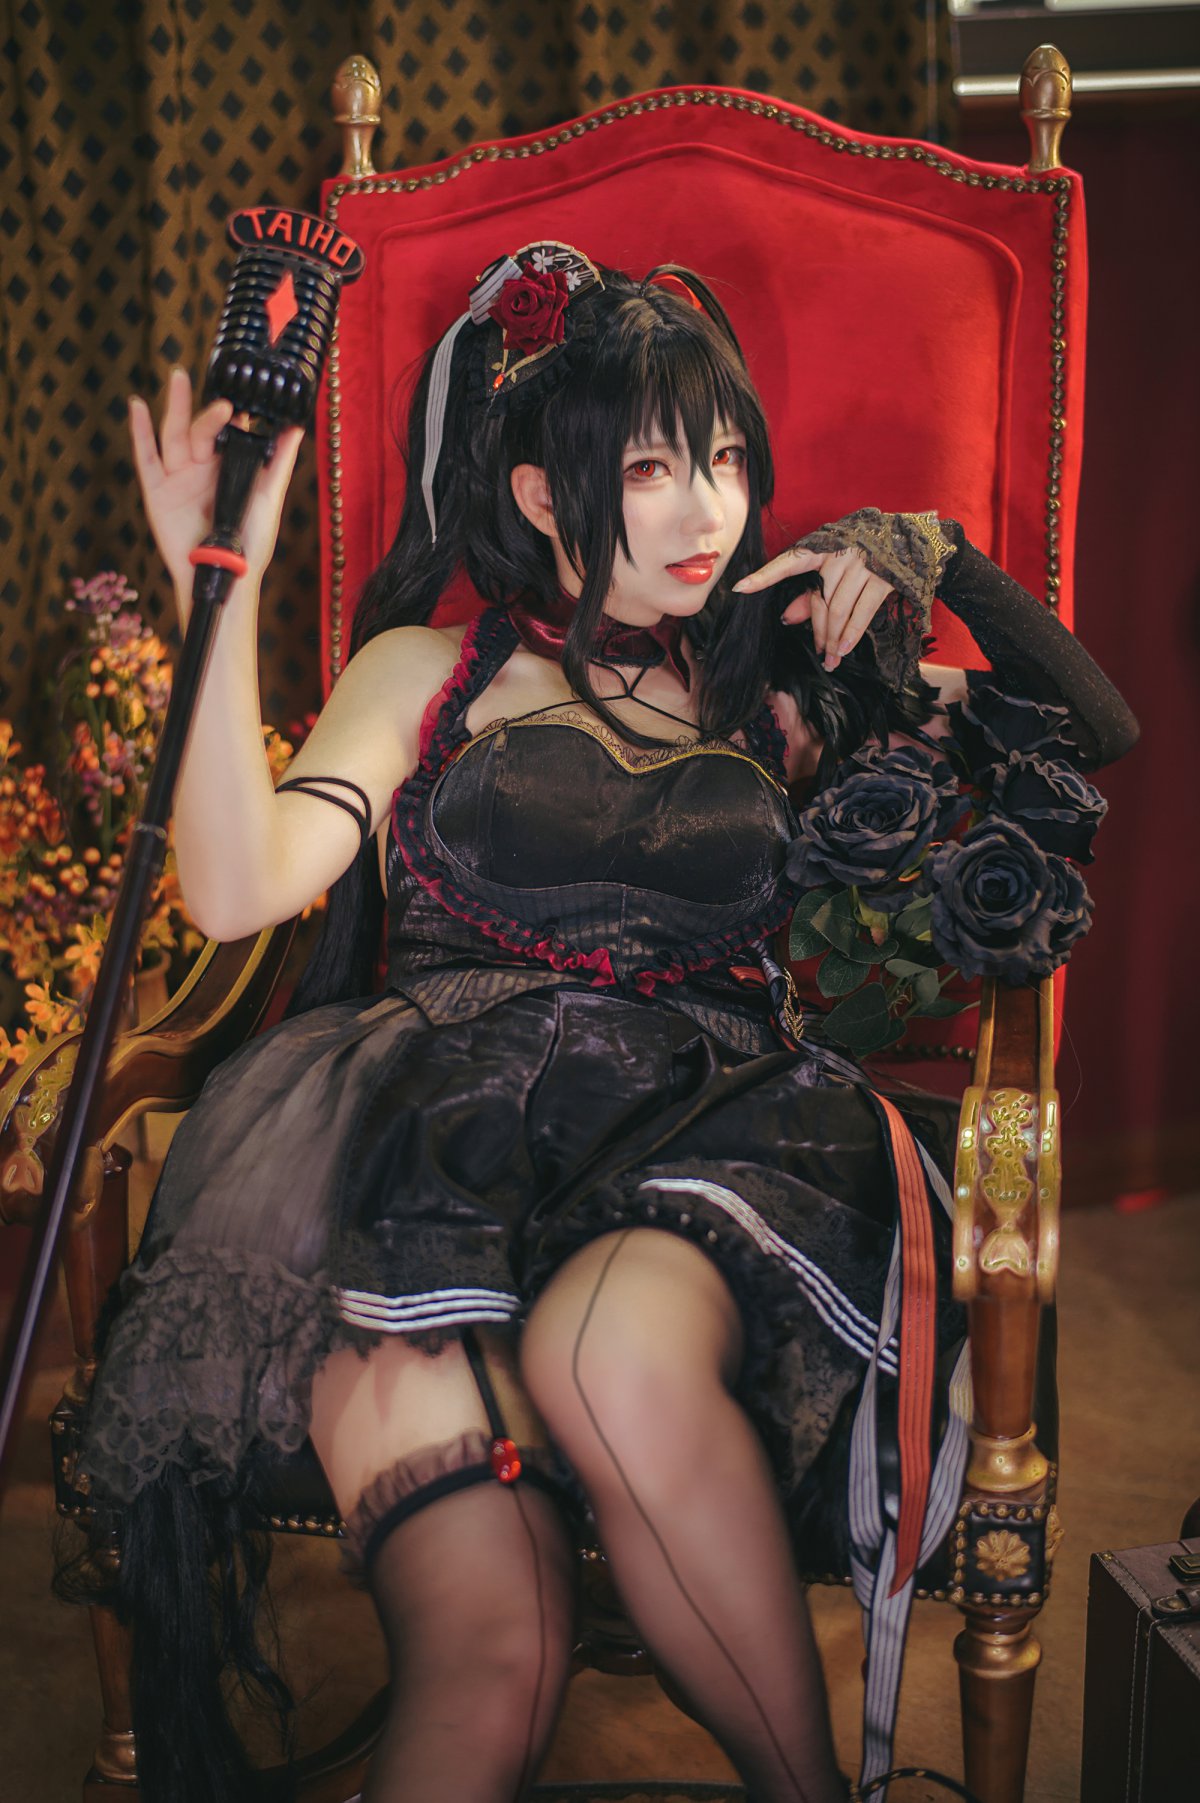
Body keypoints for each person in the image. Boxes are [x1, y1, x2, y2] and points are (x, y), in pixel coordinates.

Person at [73, 244, 1137, 1803]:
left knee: (612, 1350)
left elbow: (1095, 728)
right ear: (541, 493)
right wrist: (214, 589)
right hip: (427, 1175)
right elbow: (236, 891)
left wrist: (935, 554)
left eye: (726, 461)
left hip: (711, 1147)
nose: (709, 510)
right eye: (651, 469)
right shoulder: (428, 674)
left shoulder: (784, 676)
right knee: (494, 1646)